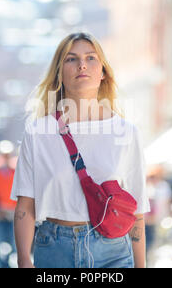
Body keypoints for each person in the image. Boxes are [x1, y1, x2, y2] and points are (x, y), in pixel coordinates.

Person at [11, 32, 151, 268]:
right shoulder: (38, 132)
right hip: (54, 250)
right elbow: (25, 205)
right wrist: (24, 259)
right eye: (71, 59)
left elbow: (137, 211)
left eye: (91, 58)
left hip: (113, 252)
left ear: (103, 71)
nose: (82, 65)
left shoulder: (125, 132)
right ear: (60, 72)